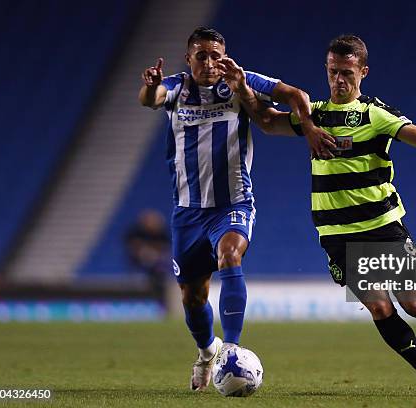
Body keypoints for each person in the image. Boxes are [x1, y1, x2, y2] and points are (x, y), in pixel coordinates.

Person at [219, 34, 416, 397]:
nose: (339, 80)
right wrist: (243, 89)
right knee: (379, 306)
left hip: (383, 226)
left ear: (363, 72)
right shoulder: (314, 115)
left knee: (414, 305)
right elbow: (268, 122)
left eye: (347, 72)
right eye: (333, 72)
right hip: (337, 234)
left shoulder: (374, 115)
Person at [138, 26, 335, 391]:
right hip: (188, 211)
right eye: (202, 56)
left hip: (233, 203)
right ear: (189, 59)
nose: (211, 63)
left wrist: (307, 126)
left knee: (230, 254)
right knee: (191, 296)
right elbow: (151, 98)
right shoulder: (178, 87)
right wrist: (151, 85)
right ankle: (207, 351)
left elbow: (295, 94)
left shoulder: (239, 80)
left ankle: (231, 347)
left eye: (216, 55)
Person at [124, 209, 171, 305]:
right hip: (138, 262)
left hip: (157, 265)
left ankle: (160, 302)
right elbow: (132, 247)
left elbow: (165, 249)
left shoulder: (162, 234)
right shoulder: (136, 232)